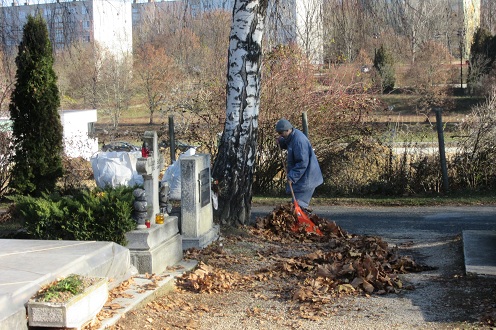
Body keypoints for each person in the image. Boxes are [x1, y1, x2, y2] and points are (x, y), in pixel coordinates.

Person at [275, 118, 323, 211]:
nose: (280, 135)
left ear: (288, 130)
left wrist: (292, 177)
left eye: (281, 133)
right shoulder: (292, 136)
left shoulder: (299, 141)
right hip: (303, 177)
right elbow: (288, 143)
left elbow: (302, 163)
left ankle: (305, 224)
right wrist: (281, 142)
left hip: (308, 178)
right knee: (296, 205)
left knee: (300, 206)